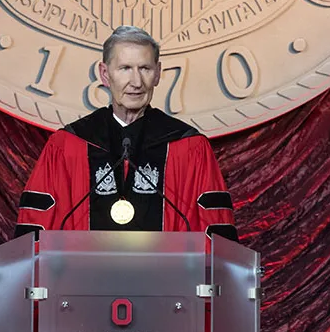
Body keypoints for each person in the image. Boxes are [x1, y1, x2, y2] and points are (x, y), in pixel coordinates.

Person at [15, 26, 234, 237]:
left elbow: (214, 240)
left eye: (145, 69)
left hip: (167, 275)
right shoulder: (66, 145)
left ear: (157, 74)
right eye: (125, 68)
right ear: (105, 74)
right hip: (83, 275)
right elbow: (35, 235)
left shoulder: (189, 147)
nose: (136, 82)